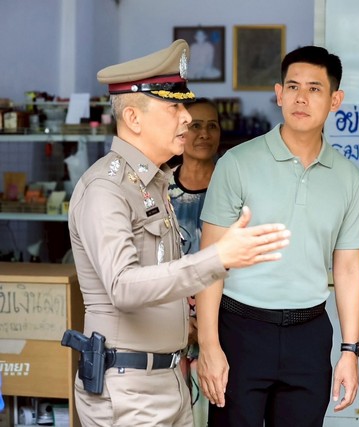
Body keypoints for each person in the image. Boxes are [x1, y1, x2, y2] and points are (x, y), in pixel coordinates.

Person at [68, 39, 291, 426]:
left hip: (168, 379)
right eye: (174, 107)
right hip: (128, 390)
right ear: (133, 118)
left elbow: (160, 279)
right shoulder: (107, 188)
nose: (187, 118)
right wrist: (217, 258)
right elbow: (123, 286)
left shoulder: (154, 183)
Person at [196, 45, 359, 426]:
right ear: (278, 94)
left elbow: (348, 268)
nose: (300, 98)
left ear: (335, 100)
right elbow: (210, 261)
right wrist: (208, 345)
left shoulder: (347, 177)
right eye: (292, 87)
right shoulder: (237, 164)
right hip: (240, 329)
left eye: (314, 89)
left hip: (309, 336)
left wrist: (349, 350)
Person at [168, 97, 221, 425]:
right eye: (195, 125)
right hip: (170, 324)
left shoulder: (234, 187)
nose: (204, 133)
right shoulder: (160, 189)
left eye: (212, 126)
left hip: (227, 323)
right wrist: (180, 321)